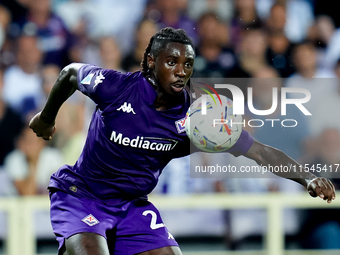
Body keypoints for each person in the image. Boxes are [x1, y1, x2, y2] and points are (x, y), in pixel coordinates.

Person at [29, 27, 335, 255]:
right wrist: (47, 117)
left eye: (187, 65)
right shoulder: (115, 87)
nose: (180, 71)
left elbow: (259, 152)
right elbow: (70, 73)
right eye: (171, 62)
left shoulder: (198, 121)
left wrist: (307, 177)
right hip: (82, 195)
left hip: (132, 206)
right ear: (150, 61)